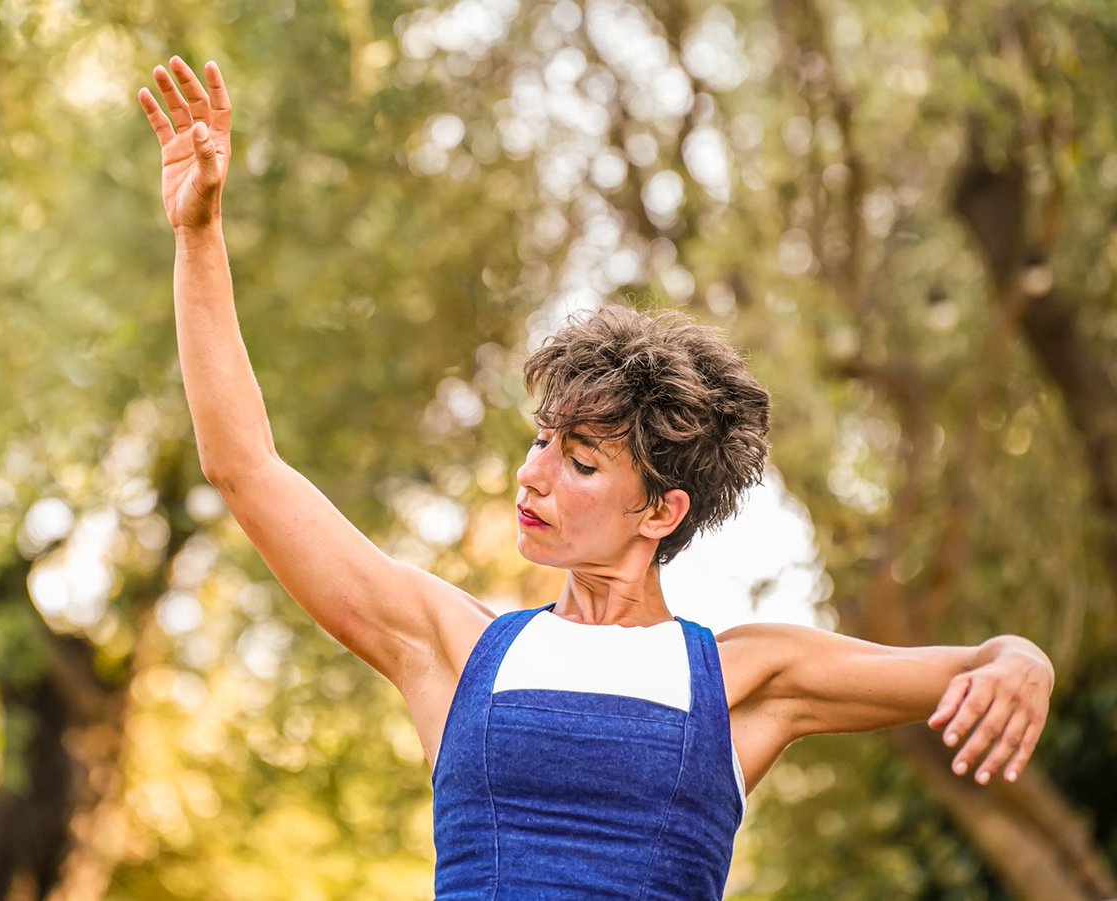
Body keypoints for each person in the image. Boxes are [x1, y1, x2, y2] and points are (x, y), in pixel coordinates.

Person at [139, 57, 1055, 898]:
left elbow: (976, 667)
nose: (532, 477)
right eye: (541, 443)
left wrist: (1027, 660)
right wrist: (199, 236)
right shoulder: (455, 649)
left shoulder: (745, 678)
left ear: (662, 509)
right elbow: (246, 467)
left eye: (578, 462)